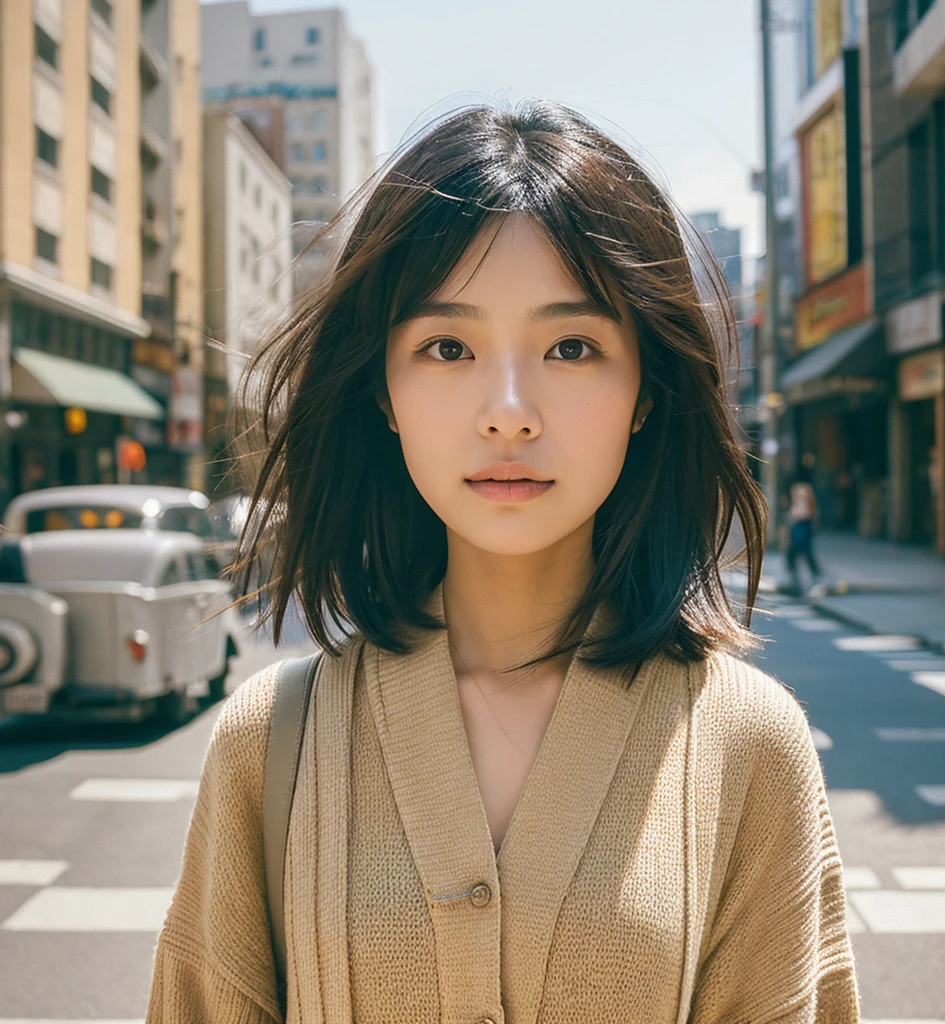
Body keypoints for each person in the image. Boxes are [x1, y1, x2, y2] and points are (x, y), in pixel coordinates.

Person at [146, 102, 860, 1023]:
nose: (509, 411)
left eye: (572, 346)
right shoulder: (271, 741)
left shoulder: (749, 744)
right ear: (385, 394)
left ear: (645, 391)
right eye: (448, 347)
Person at [786, 464, 823, 593]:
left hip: (802, 520)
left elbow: (810, 505)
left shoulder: (800, 489)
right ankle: (806, 574)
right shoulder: (803, 489)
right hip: (800, 520)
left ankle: (813, 574)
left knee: (803, 548)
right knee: (799, 548)